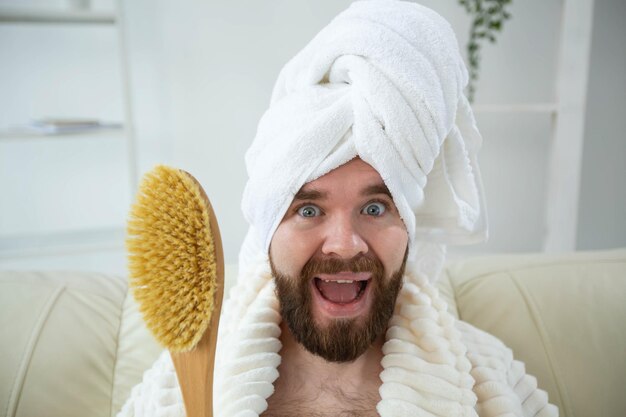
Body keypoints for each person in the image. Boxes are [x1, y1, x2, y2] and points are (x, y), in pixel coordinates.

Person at [119, 1, 558, 416]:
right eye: (308, 211)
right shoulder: (180, 384)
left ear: (408, 224)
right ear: (269, 230)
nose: (345, 246)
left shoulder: (484, 372)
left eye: (375, 208)